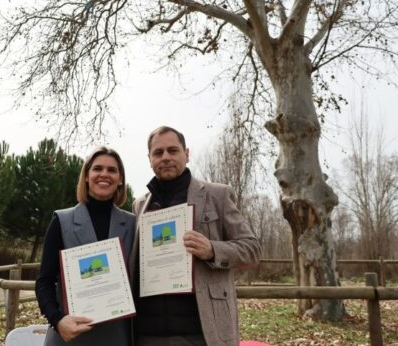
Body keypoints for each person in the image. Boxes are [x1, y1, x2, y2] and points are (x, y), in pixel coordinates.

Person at [130, 126, 261, 346]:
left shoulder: (217, 194)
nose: (166, 157)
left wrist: (212, 250)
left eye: (173, 150)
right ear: (149, 159)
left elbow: (252, 250)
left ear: (186, 154)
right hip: (146, 333)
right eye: (158, 152)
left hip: (200, 332)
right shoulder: (140, 205)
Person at [36, 146, 135, 346]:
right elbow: (44, 282)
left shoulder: (133, 224)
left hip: (116, 337)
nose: (104, 174)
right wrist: (57, 320)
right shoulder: (62, 221)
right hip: (69, 337)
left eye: (112, 170)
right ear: (87, 176)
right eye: (97, 168)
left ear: (120, 179)